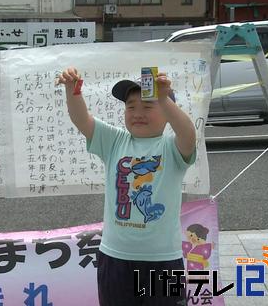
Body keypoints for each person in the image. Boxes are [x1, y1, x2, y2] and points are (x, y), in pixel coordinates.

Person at [56, 67, 196, 306]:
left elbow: (188, 133)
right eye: (131, 107)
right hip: (115, 257)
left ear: (167, 112)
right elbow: (82, 119)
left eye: (148, 106)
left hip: (161, 260)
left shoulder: (172, 147)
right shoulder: (115, 141)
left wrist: (162, 97)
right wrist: (73, 89)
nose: (137, 113)